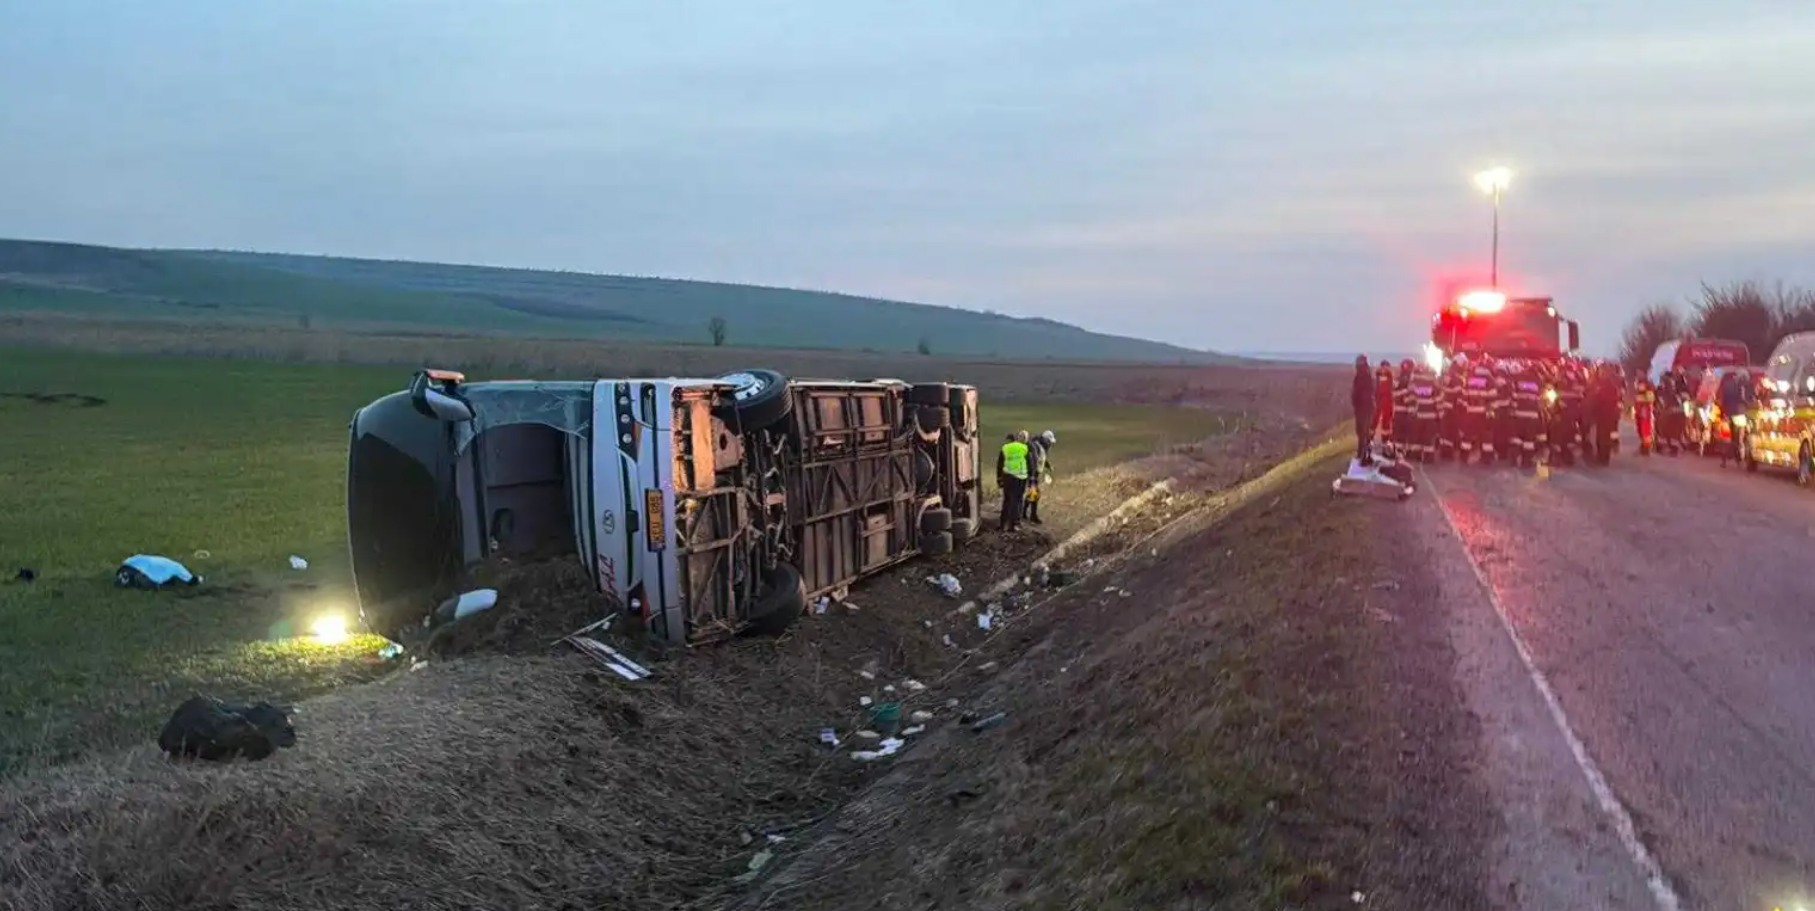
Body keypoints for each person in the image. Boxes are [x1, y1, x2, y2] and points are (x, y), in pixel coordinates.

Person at [1718, 368, 1755, 467]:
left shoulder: (1727, 384)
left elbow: (1723, 399)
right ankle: (1739, 458)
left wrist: (1723, 412)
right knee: (1740, 437)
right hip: (1739, 414)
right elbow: (1744, 399)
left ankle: (1724, 460)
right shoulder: (1743, 385)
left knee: (1726, 437)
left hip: (1727, 413)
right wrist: (1750, 405)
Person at [997, 431, 1031, 531]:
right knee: (1017, 501)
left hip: (1007, 477)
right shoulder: (1025, 448)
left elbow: (999, 464)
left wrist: (999, 479)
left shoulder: (1006, 447)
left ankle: (1003, 524)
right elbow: (1030, 464)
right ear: (1025, 440)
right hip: (1020, 478)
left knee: (1007, 500)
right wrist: (1031, 479)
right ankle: (1014, 525)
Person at [1023, 430, 1056, 525]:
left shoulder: (1041, 447)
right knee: (1035, 494)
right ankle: (1032, 516)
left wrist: (1048, 466)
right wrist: (1032, 475)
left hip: (1034, 474)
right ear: (1045, 440)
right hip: (1032, 474)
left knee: (1032, 493)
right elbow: (1032, 460)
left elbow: (1042, 459)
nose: (1050, 444)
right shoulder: (1036, 446)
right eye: (1049, 441)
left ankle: (1024, 513)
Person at [1351, 355, 1376, 464]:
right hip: (1360, 408)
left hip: (1365, 408)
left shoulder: (1365, 376)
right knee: (1360, 431)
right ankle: (1362, 452)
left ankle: (1363, 453)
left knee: (1364, 432)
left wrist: (1359, 402)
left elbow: (1366, 393)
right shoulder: (1359, 376)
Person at [1373, 359, 1396, 447]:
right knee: (1377, 419)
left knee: (1386, 421)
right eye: (1384, 367)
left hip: (1386, 401)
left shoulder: (1386, 375)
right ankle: (1374, 438)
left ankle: (1385, 439)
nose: (1385, 369)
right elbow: (1386, 388)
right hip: (1382, 401)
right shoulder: (1382, 376)